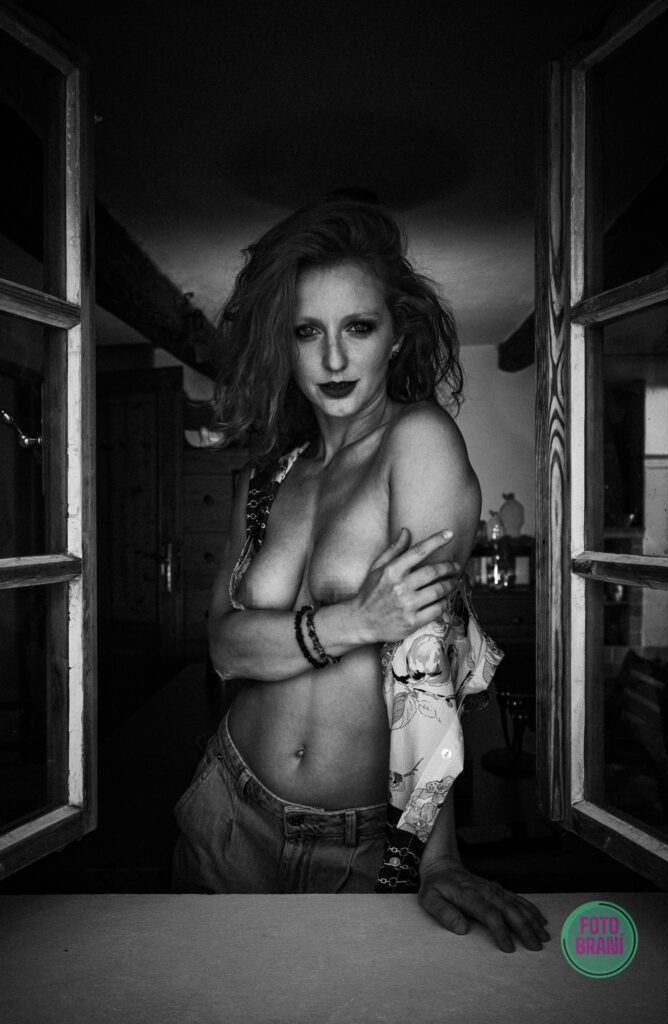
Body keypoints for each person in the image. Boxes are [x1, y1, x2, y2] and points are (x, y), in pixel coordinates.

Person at [172, 198, 550, 954]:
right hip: (226, 808)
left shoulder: (417, 442)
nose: (334, 360)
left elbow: (427, 660)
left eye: (358, 328)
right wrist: (354, 620)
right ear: (284, 346)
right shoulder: (267, 479)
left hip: (358, 844)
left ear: (396, 334)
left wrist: (437, 860)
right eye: (307, 332)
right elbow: (223, 649)